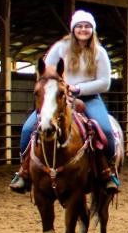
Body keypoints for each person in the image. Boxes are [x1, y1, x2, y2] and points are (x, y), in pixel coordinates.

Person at [9, 10, 120, 194]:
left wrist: (78, 89)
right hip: (58, 96)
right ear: (73, 29)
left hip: (89, 97)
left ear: (92, 30)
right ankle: (24, 171)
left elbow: (105, 83)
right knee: (28, 128)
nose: (83, 29)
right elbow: (46, 72)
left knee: (105, 130)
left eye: (87, 26)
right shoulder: (60, 48)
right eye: (79, 26)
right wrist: (60, 89)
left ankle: (107, 172)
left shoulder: (99, 52)